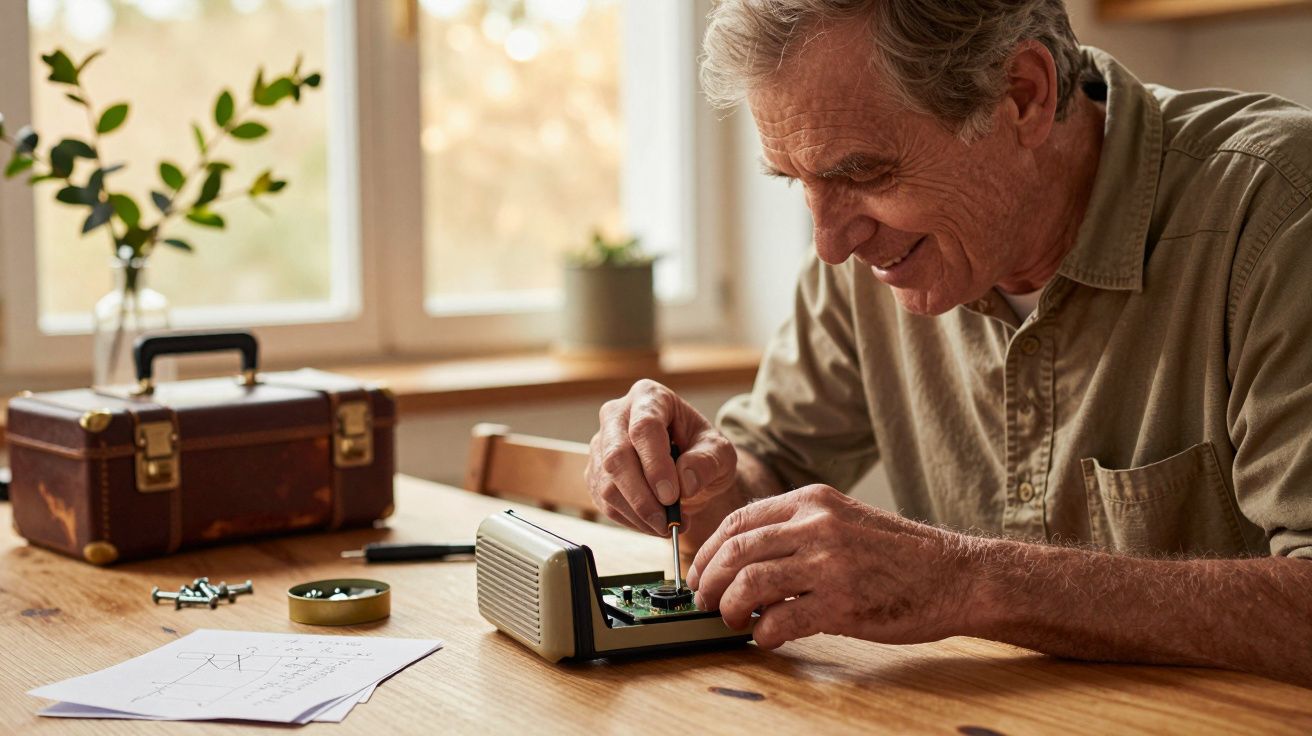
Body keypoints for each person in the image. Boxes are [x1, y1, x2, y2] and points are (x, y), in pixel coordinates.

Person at [584, 0, 1312, 687]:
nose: (831, 245)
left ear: (1023, 95)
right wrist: (697, 484)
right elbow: (764, 474)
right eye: (796, 183)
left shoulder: (1277, 215)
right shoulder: (871, 258)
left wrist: (966, 579)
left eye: (863, 173)